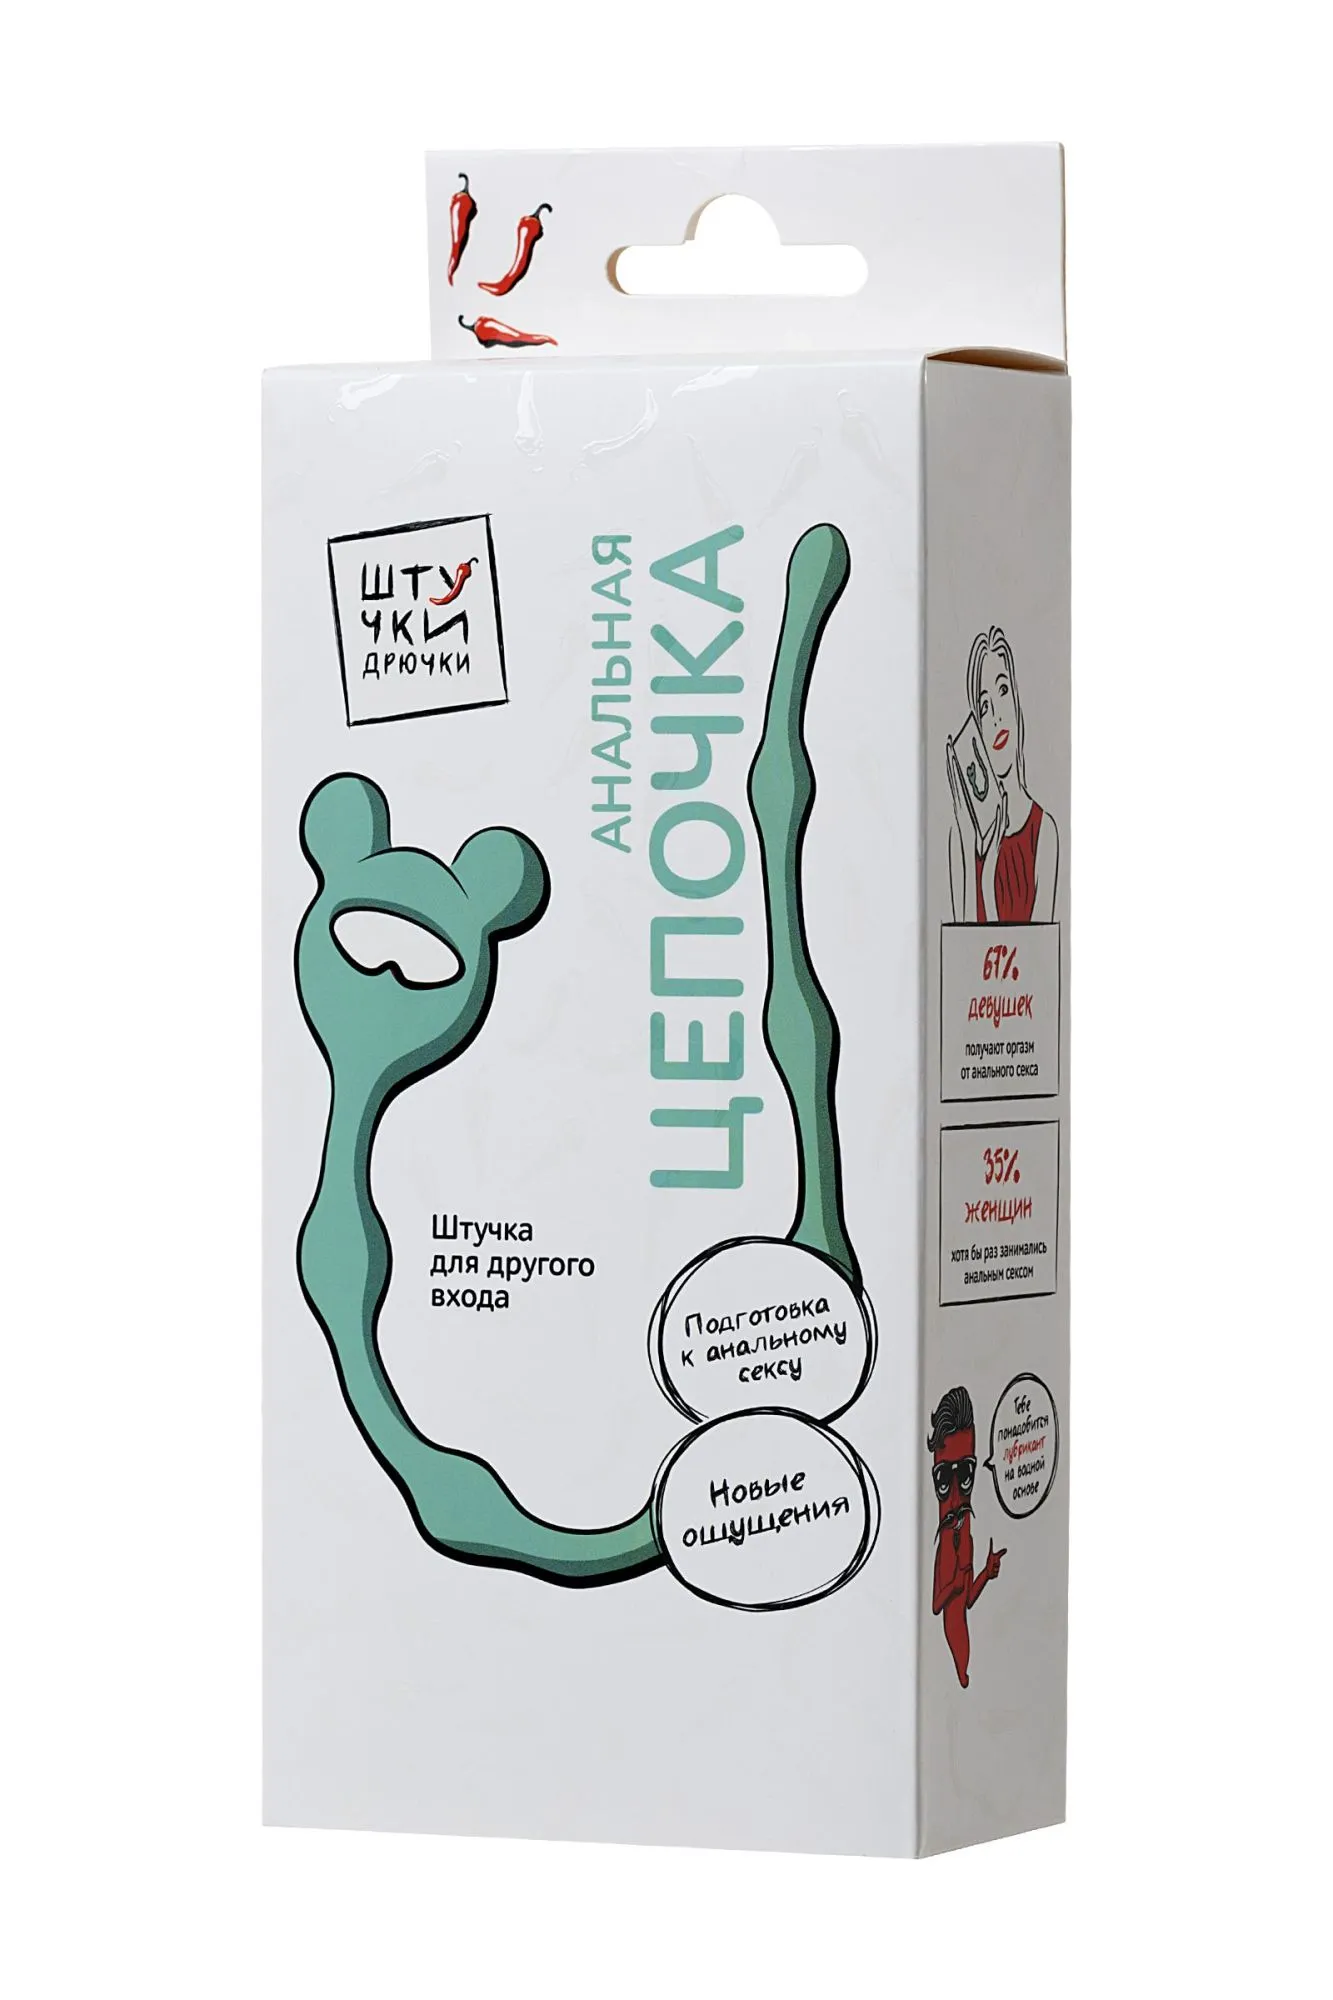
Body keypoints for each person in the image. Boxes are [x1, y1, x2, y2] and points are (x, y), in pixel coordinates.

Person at [948, 627, 1059, 923]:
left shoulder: (1044, 833)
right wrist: (970, 848)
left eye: (1003, 690)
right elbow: (962, 948)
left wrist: (987, 885)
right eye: (984, 706)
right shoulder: (961, 836)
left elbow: (1034, 951)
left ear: (1017, 701)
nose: (997, 716)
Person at [928, 1385, 1004, 1689]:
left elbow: (968, 1600)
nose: (957, 1495)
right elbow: (936, 1606)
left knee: (965, 1678)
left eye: (965, 1474)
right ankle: (962, 1675)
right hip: (950, 1650)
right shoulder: (944, 1547)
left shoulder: (967, 1542)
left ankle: (963, 1675)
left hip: (962, 1650)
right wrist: (956, 1585)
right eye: (944, 1479)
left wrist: (987, 1572)